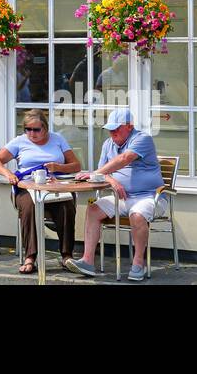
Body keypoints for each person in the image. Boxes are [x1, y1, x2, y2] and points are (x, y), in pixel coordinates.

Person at [64, 108, 167, 282]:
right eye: (110, 129)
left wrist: (95, 173)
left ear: (129, 126)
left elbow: (124, 158)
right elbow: (103, 173)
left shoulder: (142, 139)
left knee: (137, 215)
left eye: (116, 128)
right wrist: (111, 180)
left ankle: (138, 263)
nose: (112, 132)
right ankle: (87, 261)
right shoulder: (108, 144)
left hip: (149, 197)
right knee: (93, 210)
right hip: (121, 197)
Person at [0, 108, 82, 275]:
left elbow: (76, 166)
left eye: (36, 129)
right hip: (28, 188)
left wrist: (58, 167)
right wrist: (8, 174)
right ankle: (30, 257)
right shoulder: (19, 141)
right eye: (28, 129)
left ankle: (66, 256)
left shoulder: (58, 139)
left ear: (45, 128)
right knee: (29, 207)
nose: (32, 133)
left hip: (54, 186)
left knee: (67, 205)